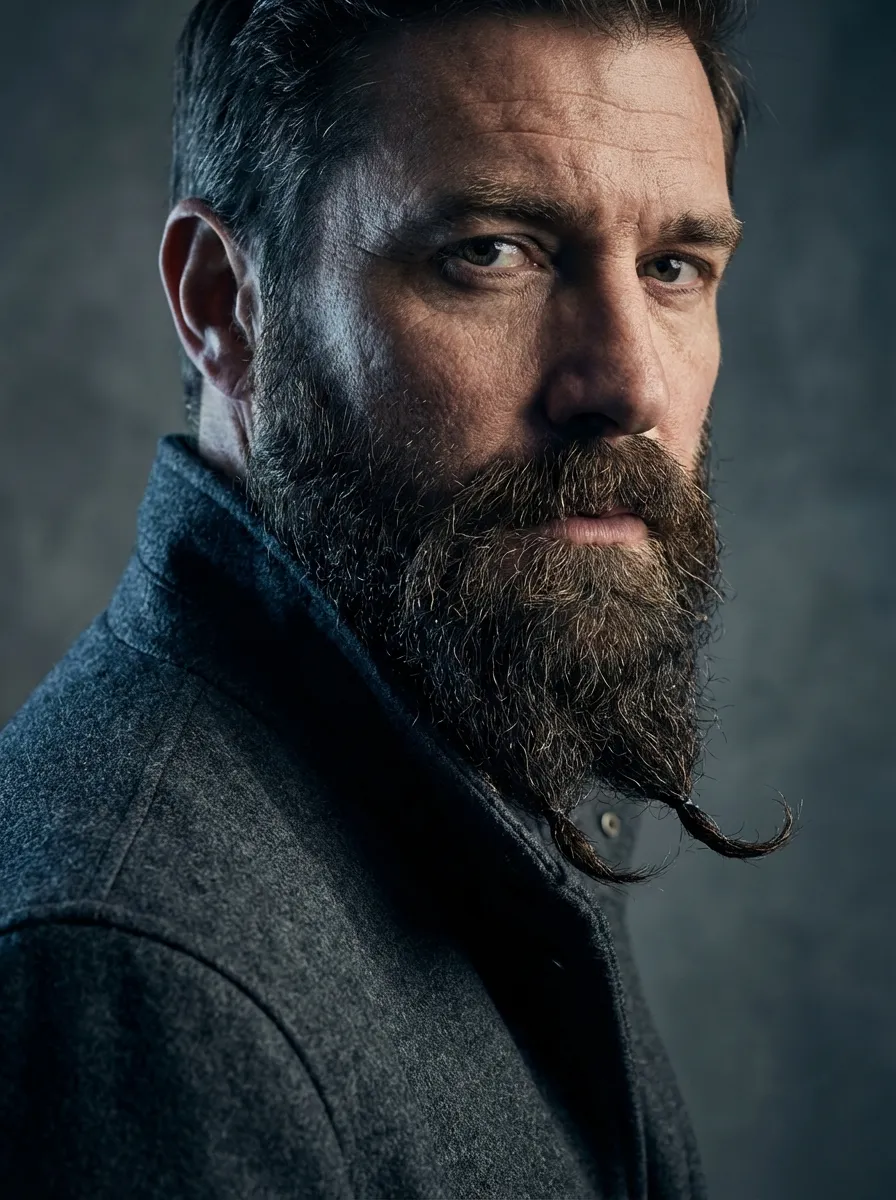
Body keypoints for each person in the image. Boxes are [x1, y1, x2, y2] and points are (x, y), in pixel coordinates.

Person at [0, 1, 793, 1196]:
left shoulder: (478, 707)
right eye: (489, 252)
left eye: (673, 267)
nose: (628, 380)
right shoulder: (134, 977)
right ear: (225, 303)